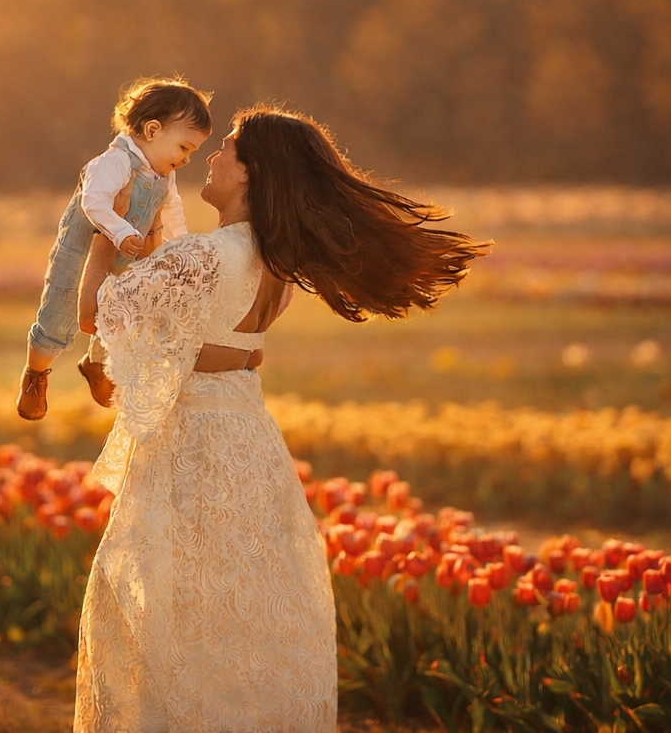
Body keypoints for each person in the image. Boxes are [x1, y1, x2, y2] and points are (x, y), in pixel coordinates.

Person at [74, 106, 490, 733]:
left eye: (229, 149)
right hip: (247, 437)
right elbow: (193, 339)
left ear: (251, 173)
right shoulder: (274, 263)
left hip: (194, 447)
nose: (211, 156)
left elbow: (95, 314)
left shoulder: (204, 256)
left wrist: (105, 229)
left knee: (175, 613)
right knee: (239, 614)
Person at [17, 79, 213, 421]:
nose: (186, 160)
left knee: (120, 320)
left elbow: (172, 212)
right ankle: (36, 374)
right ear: (152, 130)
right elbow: (94, 202)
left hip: (126, 265)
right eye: (184, 148)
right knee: (57, 319)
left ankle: (96, 365)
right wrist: (121, 231)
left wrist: (182, 250)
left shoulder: (165, 176)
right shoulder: (113, 162)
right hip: (78, 259)